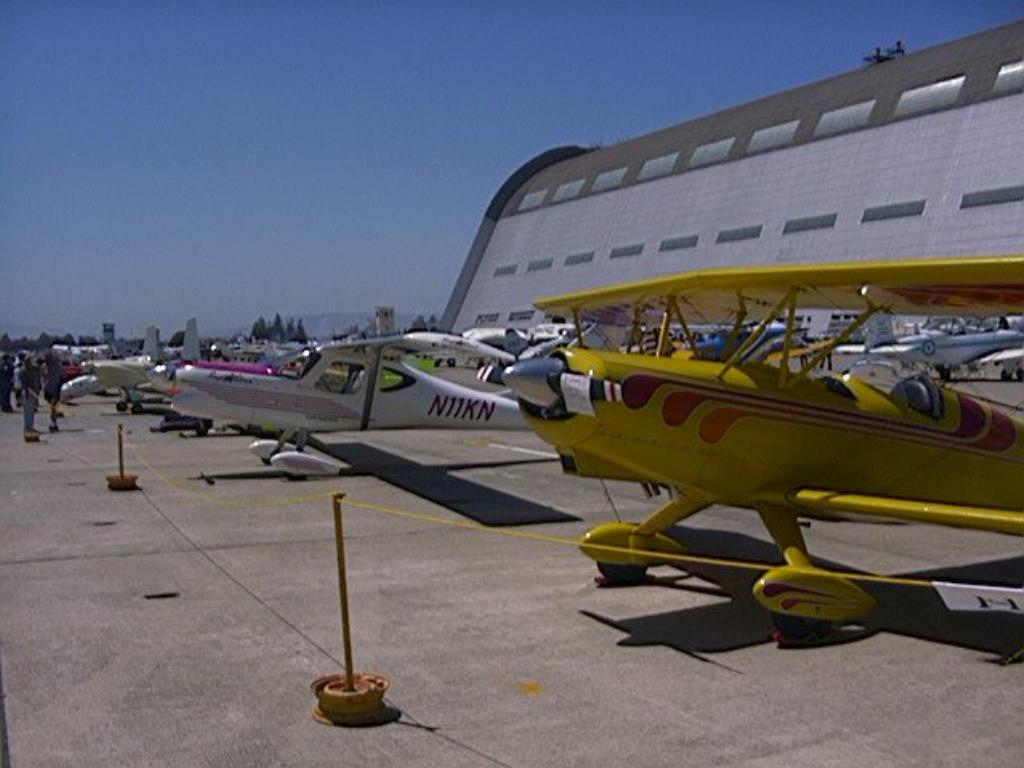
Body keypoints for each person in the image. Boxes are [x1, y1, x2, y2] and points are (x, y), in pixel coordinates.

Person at [42, 352, 64, 432]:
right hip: (50, 389)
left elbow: (62, 376)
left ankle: (53, 423)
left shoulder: (55, 366)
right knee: (53, 407)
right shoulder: (46, 367)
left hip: (52, 389)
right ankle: (53, 423)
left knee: (53, 407)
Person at [21, 356, 41, 437]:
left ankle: (31, 426)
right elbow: (24, 383)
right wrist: (29, 390)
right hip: (27, 393)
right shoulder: (23, 371)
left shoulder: (32, 371)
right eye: (29, 362)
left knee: (32, 411)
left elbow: (36, 380)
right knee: (27, 412)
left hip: (33, 393)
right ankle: (27, 427)